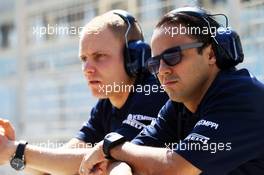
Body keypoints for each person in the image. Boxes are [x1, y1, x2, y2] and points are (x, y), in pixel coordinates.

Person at [79, 7, 264, 175]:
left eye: (173, 56)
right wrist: (117, 157)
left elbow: (175, 167)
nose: (162, 70)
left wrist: (110, 146)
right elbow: (132, 155)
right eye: (155, 63)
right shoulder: (178, 105)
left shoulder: (241, 96)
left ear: (211, 54)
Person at [0, 10, 168, 175]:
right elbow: (59, 164)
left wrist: (13, 150)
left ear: (134, 57)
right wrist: (9, 149)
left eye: (99, 56)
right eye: (84, 59)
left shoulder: (153, 91)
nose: (87, 69)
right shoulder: (106, 105)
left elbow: (102, 159)